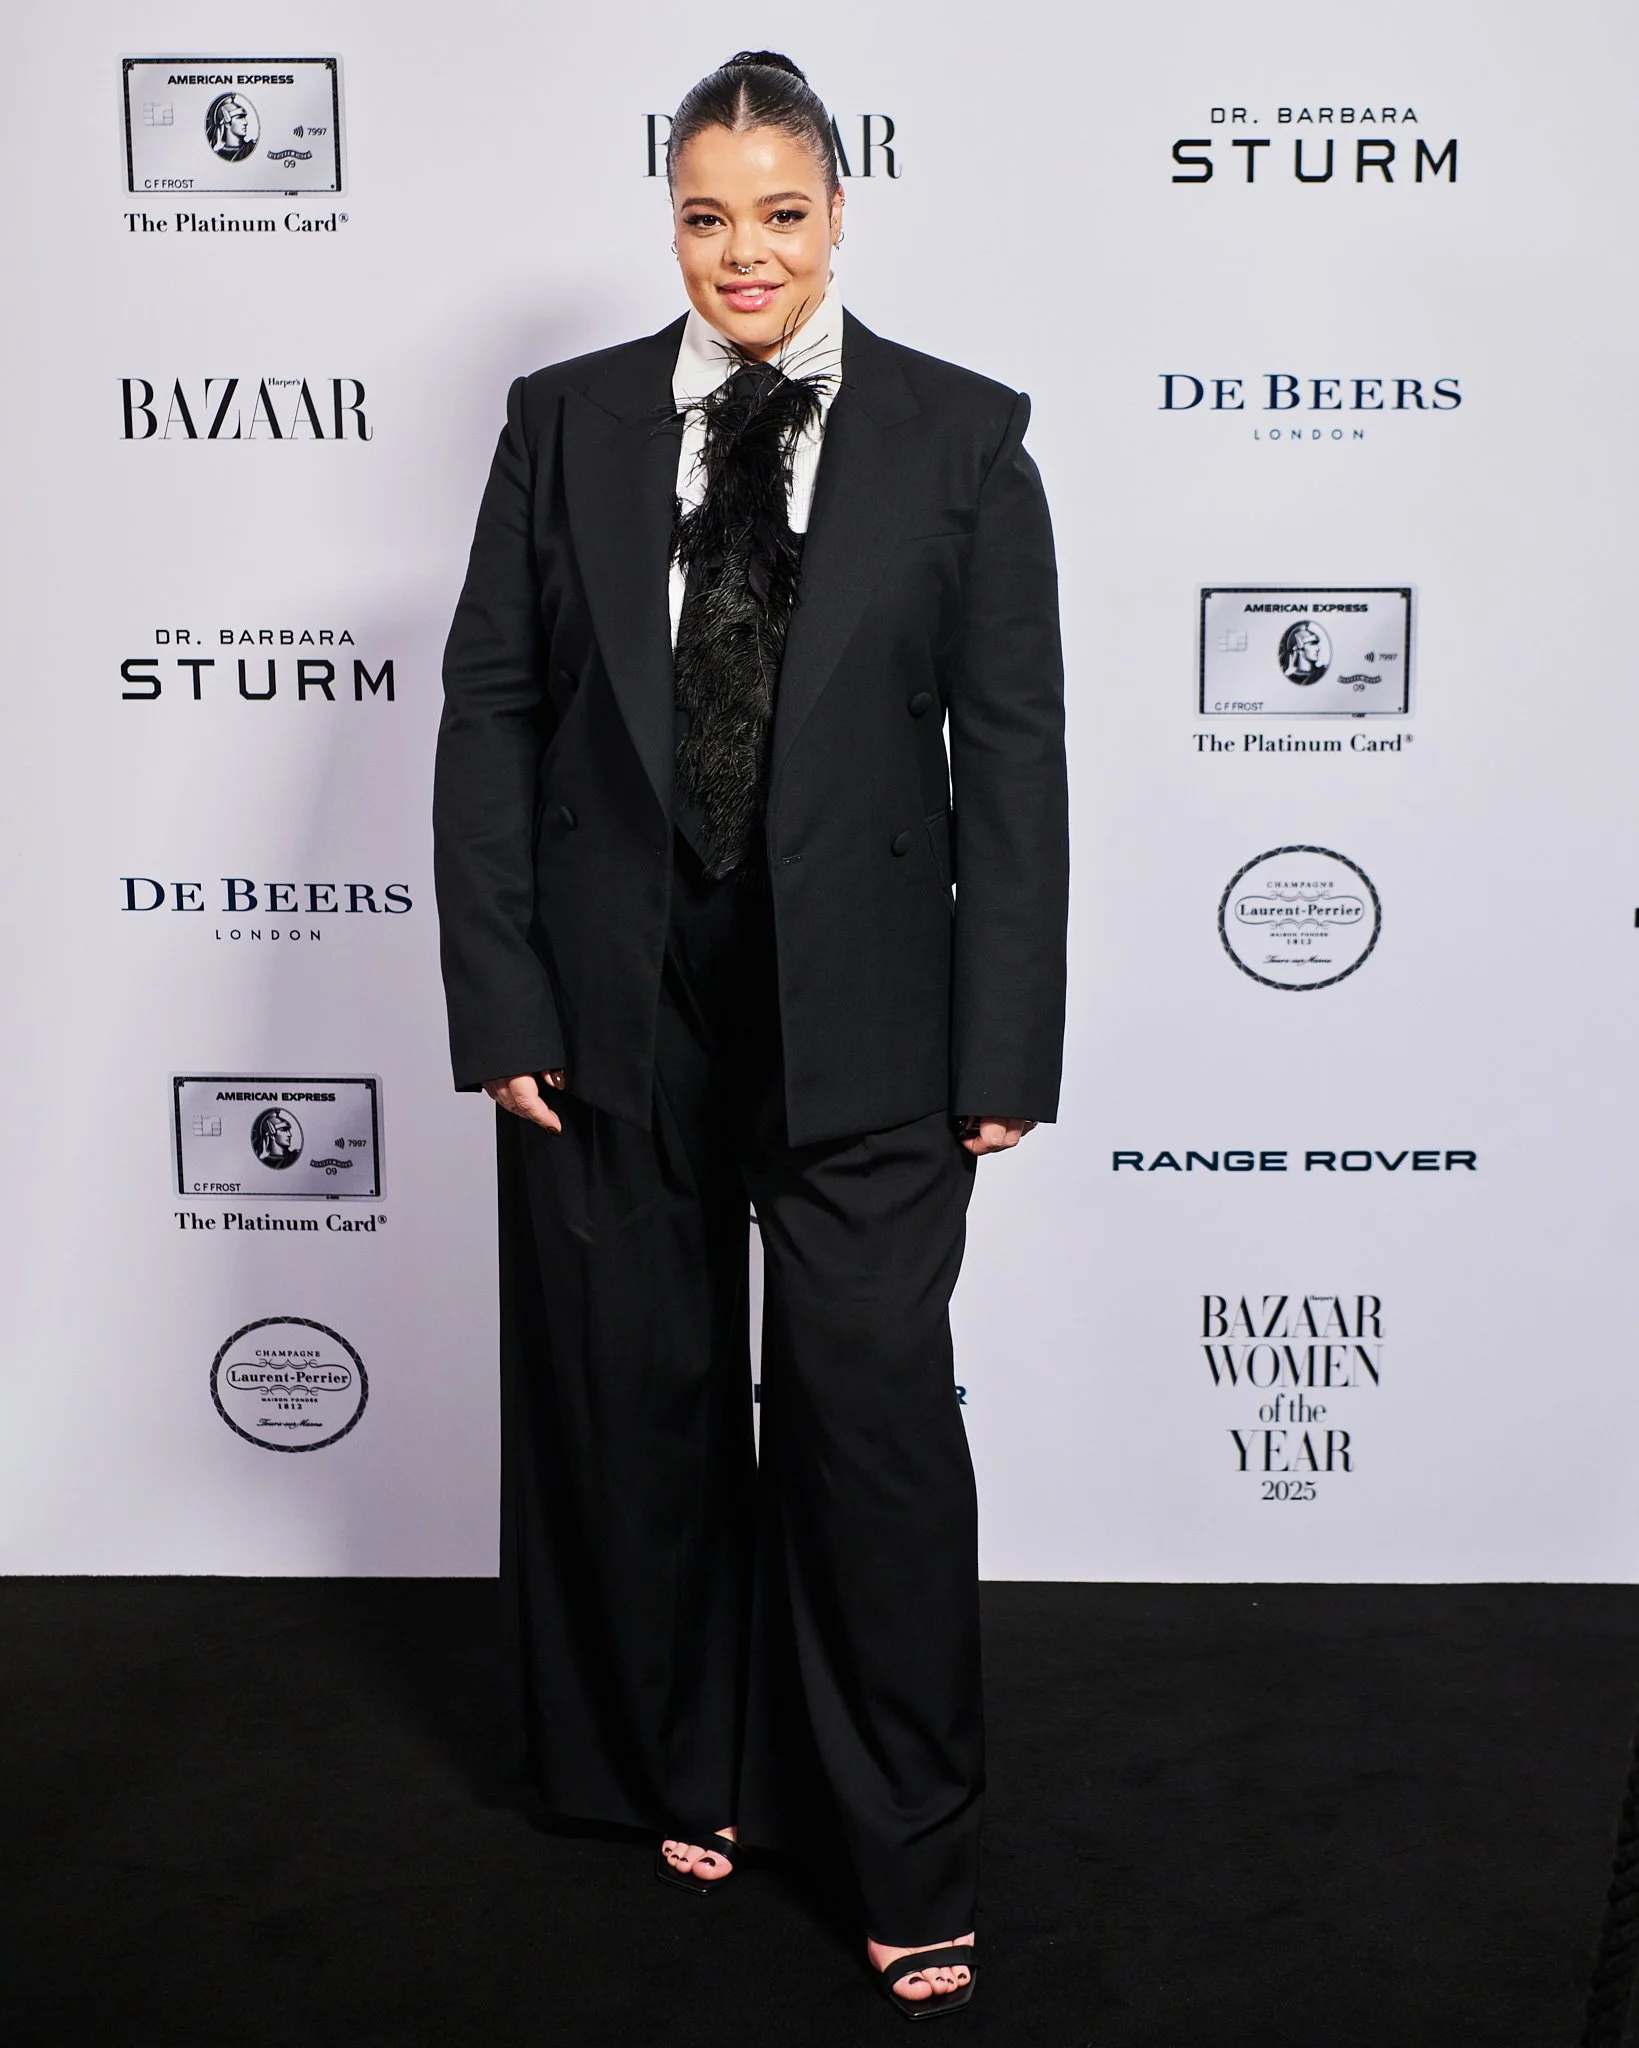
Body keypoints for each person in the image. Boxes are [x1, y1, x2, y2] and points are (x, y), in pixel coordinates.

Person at [433, 50, 1067, 2019]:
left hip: (869, 1013)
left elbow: (1018, 768)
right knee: (652, 1411)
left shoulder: (965, 441)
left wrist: (1004, 1046)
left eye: (779, 213)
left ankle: (903, 1843)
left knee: (870, 1427)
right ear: (673, 221)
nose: (743, 253)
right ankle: (686, 1764)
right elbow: (492, 719)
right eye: (706, 215)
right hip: (628, 1002)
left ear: (841, 212)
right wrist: (507, 1000)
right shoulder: (563, 425)